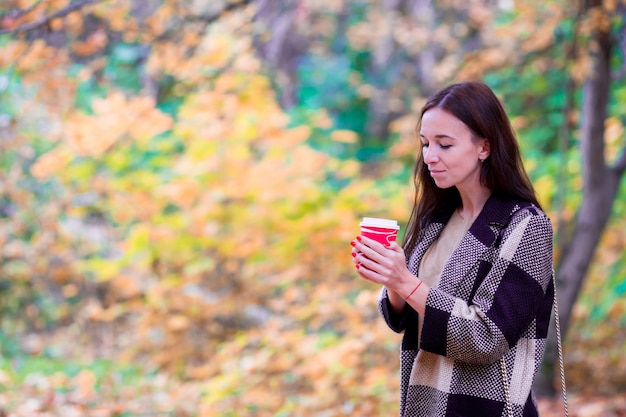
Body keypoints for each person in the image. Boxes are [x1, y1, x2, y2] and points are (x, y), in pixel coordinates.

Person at [351, 81, 554, 417]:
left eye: (444, 145)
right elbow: (405, 319)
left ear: (484, 147)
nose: (430, 157)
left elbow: (487, 336)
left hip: (484, 409)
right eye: (425, 143)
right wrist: (390, 277)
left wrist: (405, 282)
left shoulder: (526, 225)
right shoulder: (438, 217)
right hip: (424, 403)